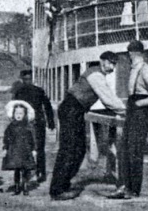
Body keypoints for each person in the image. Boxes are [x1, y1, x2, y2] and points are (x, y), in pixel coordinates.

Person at [49, 51, 126, 200]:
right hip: (71, 110)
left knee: (79, 150)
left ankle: (63, 184)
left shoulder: (98, 74)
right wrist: (125, 111)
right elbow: (108, 99)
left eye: (114, 64)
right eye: (111, 63)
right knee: (69, 150)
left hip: (75, 111)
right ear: (102, 61)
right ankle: (57, 190)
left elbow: (108, 98)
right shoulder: (95, 75)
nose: (112, 67)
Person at [108, 40, 148, 200]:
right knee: (125, 149)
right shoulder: (134, 70)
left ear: (133, 54)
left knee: (135, 150)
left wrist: (139, 103)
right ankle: (125, 187)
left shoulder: (146, 70)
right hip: (133, 110)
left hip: (142, 112)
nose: (129, 57)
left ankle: (134, 189)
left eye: (130, 54)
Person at [12, 69, 56, 183]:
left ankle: (40, 172)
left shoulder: (37, 91)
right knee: (27, 148)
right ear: (22, 79)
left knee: (39, 148)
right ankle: (30, 172)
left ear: (32, 79)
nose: (28, 81)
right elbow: (14, 108)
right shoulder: (19, 92)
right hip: (27, 124)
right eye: (25, 79)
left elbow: (47, 106)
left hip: (37, 123)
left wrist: (50, 121)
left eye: (29, 79)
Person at [2, 100, 37, 196]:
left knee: (26, 170)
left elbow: (33, 138)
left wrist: (34, 149)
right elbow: (7, 138)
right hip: (15, 150)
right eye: (16, 113)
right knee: (16, 169)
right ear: (13, 114)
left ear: (24, 114)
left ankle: (25, 186)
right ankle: (17, 187)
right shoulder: (11, 126)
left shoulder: (28, 126)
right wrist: (5, 148)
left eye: (21, 113)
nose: (18, 115)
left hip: (26, 150)